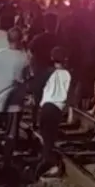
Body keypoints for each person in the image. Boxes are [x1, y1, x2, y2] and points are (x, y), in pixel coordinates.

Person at [0, 26, 29, 166]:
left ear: (7, 39)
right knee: (11, 133)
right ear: (20, 40)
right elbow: (27, 79)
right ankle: (7, 159)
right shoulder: (24, 57)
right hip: (15, 103)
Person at [36, 46, 72, 178]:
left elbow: (38, 89)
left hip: (46, 106)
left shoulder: (47, 72)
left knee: (46, 137)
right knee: (51, 135)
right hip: (57, 109)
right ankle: (49, 160)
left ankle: (49, 163)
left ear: (52, 58)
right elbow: (69, 94)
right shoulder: (68, 74)